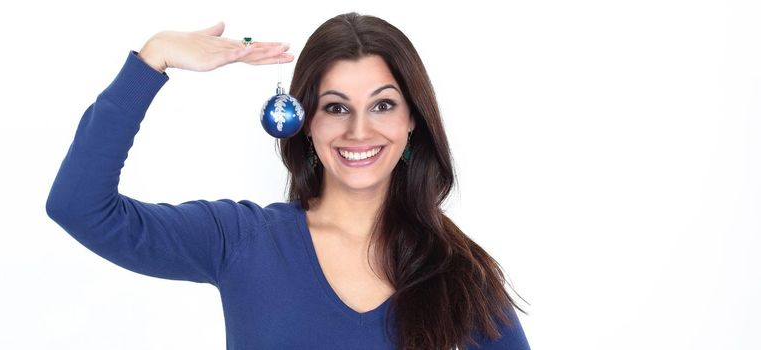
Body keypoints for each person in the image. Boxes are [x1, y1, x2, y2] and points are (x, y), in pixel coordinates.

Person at [46, 12, 530, 350]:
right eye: (335, 107)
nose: (359, 130)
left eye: (382, 105)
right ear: (305, 121)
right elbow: (79, 206)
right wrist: (153, 60)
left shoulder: (459, 271)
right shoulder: (241, 239)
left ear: (412, 122)